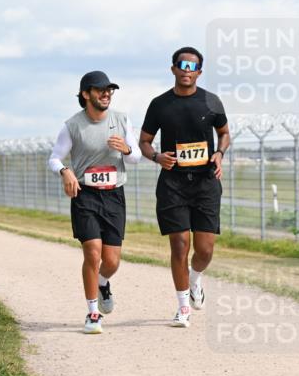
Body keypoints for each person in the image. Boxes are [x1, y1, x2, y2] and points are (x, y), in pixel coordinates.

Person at [139, 46, 231, 328]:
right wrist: (156, 156)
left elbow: (224, 133)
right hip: (173, 184)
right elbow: (144, 141)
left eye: (193, 67)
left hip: (205, 183)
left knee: (204, 250)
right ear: (174, 69)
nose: (187, 71)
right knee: (179, 245)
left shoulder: (211, 102)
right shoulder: (159, 105)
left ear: (199, 73)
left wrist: (219, 153)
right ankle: (182, 308)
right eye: (182, 65)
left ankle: (195, 279)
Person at [48, 71, 141, 334]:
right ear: (86, 94)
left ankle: (103, 283)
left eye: (109, 90)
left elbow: (135, 159)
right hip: (85, 194)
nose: (106, 94)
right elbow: (54, 158)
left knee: (111, 261)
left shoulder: (122, 120)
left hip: (114, 194)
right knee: (92, 251)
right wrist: (65, 171)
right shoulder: (72, 125)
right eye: (100, 90)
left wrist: (127, 149)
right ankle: (92, 313)